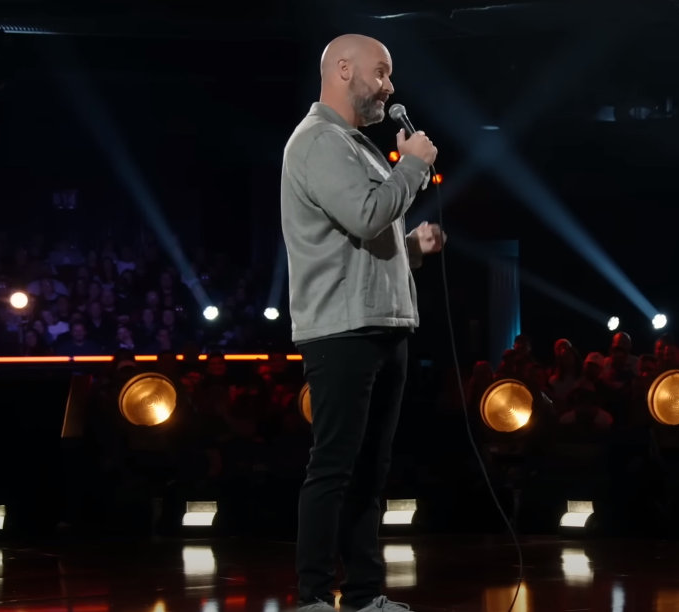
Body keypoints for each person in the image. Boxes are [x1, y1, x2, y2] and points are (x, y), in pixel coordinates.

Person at [282, 34, 442, 612]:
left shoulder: (357, 146)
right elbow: (367, 212)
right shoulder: (320, 141)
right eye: (382, 73)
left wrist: (413, 248)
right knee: (334, 467)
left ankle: (366, 592)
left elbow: (368, 236)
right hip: (342, 330)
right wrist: (415, 166)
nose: (390, 87)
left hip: (380, 322)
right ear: (343, 70)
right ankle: (313, 596)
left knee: (370, 470)